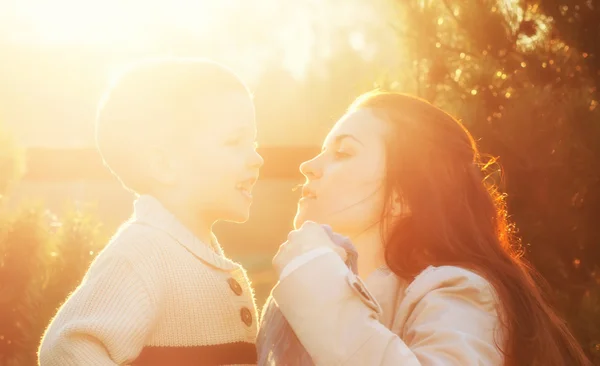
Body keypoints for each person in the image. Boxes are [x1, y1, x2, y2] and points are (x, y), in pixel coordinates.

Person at [259, 91, 591, 365]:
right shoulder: (303, 292)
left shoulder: (462, 291)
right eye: (321, 152)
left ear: (404, 194)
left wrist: (315, 279)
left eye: (343, 152)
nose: (308, 166)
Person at [39, 57, 264, 365]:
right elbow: (64, 348)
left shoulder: (195, 254)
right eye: (234, 142)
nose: (257, 158)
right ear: (164, 165)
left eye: (254, 142)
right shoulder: (143, 254)